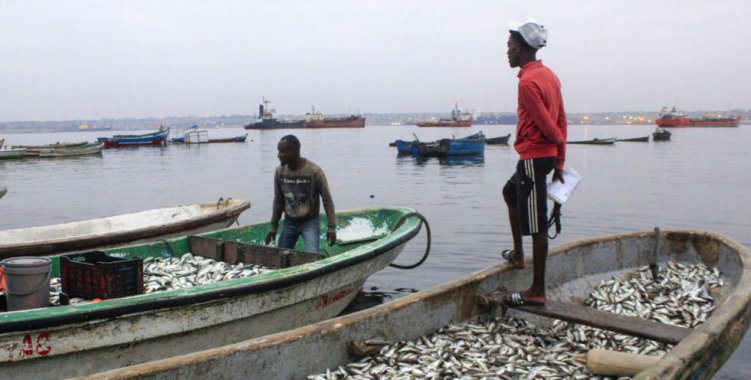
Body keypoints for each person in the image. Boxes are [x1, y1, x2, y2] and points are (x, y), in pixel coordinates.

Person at [500, 19, 567, 306]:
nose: (507, 51)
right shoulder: (549, 76)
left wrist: (557, 145)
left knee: (537, 225)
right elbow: (561, 118)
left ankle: (536, 290)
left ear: (524, 48)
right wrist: (560, 162)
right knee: (509, 193)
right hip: (543, 156)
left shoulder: (528, 82)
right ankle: (518, 255)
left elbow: (549, 127)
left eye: (510, 46)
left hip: (534, 157)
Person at [264, 135, 336, 253]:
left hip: (310, 223)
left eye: (282, 152)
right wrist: (273, 226)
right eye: (278, 151)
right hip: (289, 222)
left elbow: (327, 200)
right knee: (280, 256)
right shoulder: (279, 172)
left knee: (312, 257)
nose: (279, 155)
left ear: (293, 151)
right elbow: (278, 201)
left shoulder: (314, 171)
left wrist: (331, 228)